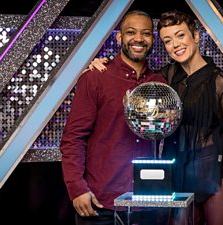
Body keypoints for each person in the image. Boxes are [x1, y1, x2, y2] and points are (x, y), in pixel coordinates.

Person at [88, 10, 223, 225]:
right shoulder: (164, 78)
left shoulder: (221, 82)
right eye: (167, 40)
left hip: (216, 176)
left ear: (195, 36)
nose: (175, 44)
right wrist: (99, 64)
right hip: (177, 177)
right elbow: (135, 78)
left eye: (180, 35)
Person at [60, 10, 166, 225]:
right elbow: (73, 138)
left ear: (153, 39)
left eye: (146, 33)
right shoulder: (95, 78)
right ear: (119, 38)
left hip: (146, 205)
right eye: (130, 32)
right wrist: (77, 188)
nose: (138, 38)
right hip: (100, 204)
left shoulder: (160, 84)